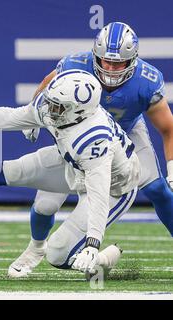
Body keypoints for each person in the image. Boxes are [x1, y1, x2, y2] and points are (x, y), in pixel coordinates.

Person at [0, 70, 140, 276]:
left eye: (57, 107)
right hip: (73, 162)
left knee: (58, 254)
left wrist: (92, 244)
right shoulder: (60, 108)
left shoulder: (93, 139)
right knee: (17, 178)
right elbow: (11, 117)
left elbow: (99, 195)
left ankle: (100, 260)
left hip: (114, 187)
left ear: (78, 112)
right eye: (51, 102)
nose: (49, 109)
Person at [12, 22, 173, 276]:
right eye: (105, 62)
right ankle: (35, 247)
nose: (110, 68)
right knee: (45, 205)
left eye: (118, 64)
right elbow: (48, 82)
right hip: (80, 136)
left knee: (158, 188)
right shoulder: (75, 64)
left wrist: (172, 166)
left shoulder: (145, 81)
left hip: (127, 132)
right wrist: (33, 111)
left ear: (132, 60)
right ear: (94, 56)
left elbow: (168, 128)